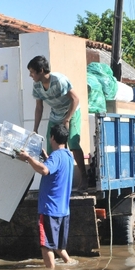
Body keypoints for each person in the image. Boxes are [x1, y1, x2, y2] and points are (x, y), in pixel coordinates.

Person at [16, 123, 74, 269]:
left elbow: (44, 170)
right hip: (63, 210)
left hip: (50, 209)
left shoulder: (56, 156)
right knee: (59, 246)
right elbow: (55, 169)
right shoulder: (68, 155)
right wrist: (46, 157)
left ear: (52, 138)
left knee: (46, 245)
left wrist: (28, 158)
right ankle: (70, 264)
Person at [27, 55, 88, 190]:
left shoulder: (59, 80)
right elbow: (39, 107)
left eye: (32, 71)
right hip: (55, 114)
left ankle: (84, 177)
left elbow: (75, 99)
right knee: (52, 146)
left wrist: (67, 119)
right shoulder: (37, 85)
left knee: (72, 142)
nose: (30, 75)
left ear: (41, 70)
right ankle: (55, 182)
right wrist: (35, 128)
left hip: (71, 111)